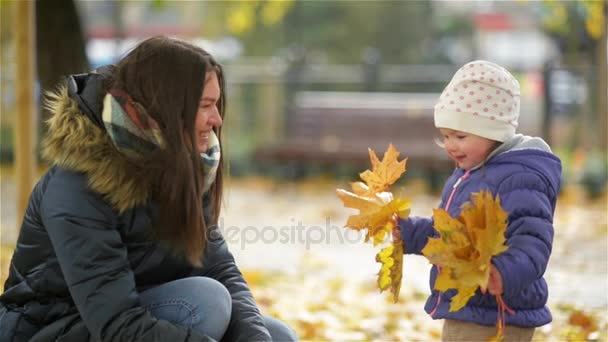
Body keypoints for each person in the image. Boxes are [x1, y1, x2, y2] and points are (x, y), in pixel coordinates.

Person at [0, 36, 297, 342]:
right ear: (164, 106)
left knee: (276, 335)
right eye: (206, 106)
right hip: (49, 329)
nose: (217, 119)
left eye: (217, 105)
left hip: (135, 315)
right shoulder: (78, 185)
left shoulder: (185, 166)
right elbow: (118, 325)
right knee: (206, 303)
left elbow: (219, 267)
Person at [396, 60, 561, 341]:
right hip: (469, 306)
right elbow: (453, 236)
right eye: (445, 136)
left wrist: (504, 273)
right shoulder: (471, 173)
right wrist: (408, 232)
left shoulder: (519, 178)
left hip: (498, 314)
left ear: (493, 133)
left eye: (460, 136)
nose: (450, 145)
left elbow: (534, 241)